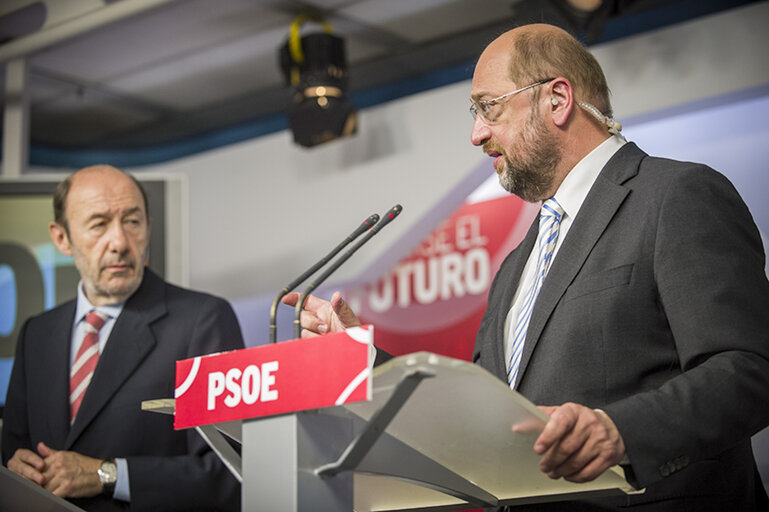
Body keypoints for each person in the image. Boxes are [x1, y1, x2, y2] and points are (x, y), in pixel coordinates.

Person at [283, 24, 769, 510]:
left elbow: (749, 368)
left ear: (557, 99)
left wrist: (621, 432)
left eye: (488, 106)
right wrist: (360, 358)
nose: (476, 133)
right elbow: (481, 413)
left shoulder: (675, 195)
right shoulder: (517, 264)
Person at [2, 165, 244, 511]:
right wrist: (18, 468)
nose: (119, 242)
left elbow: (228, 473)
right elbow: (12, 453)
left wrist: (108, 474)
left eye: (132, 221)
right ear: (61, 239)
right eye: (99, 224)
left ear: (148, 226)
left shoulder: (202, 321)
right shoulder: (36, 334)